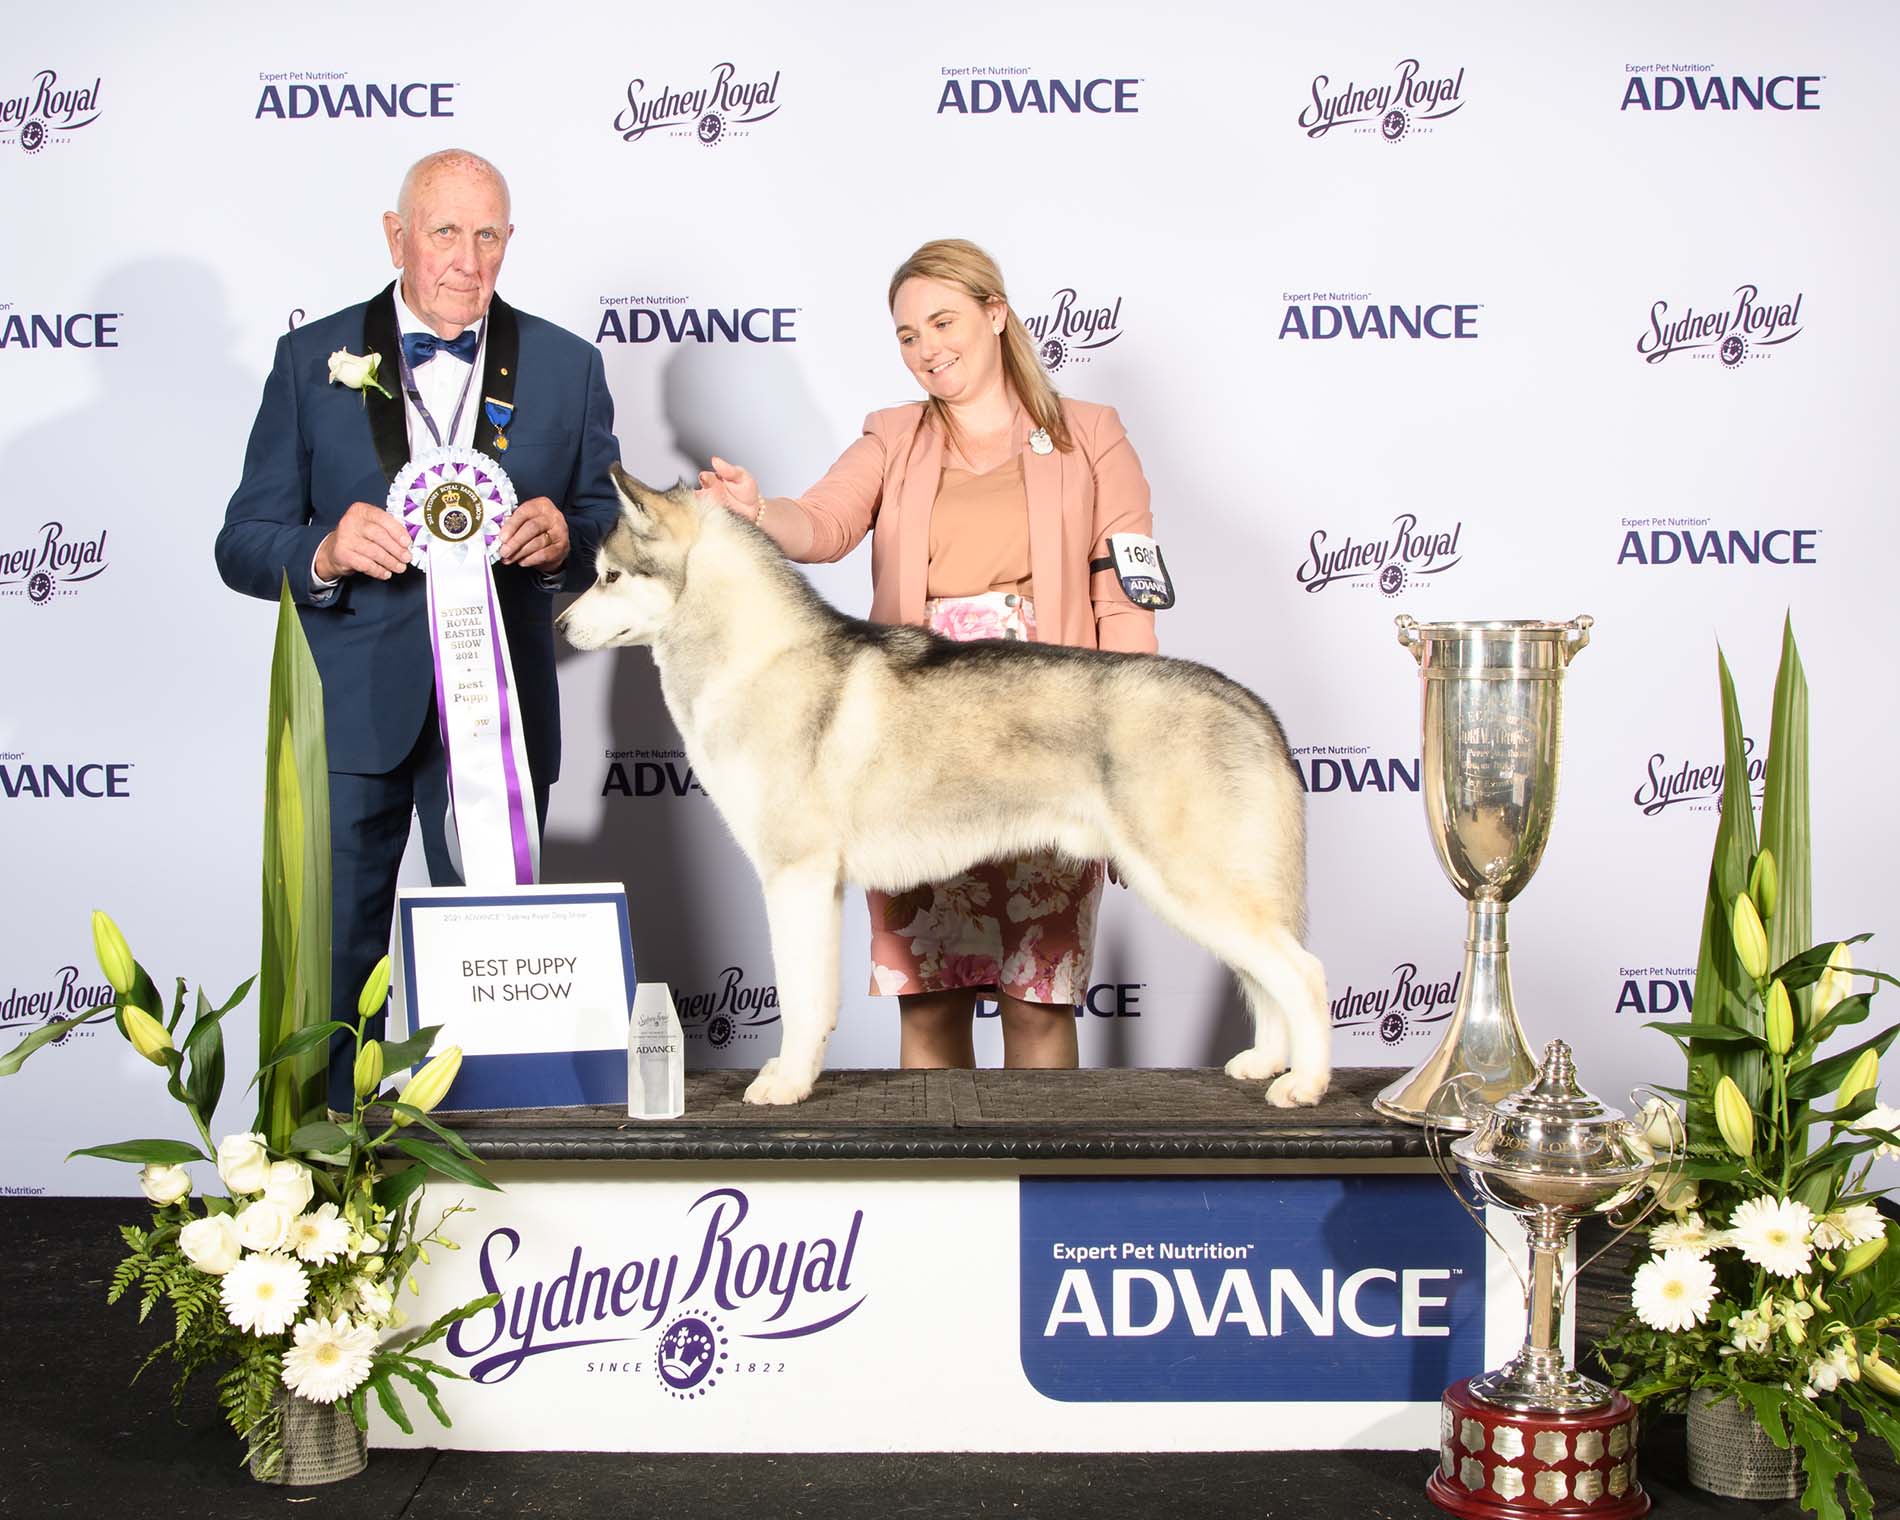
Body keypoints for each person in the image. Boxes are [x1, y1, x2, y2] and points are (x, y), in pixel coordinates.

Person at [215, 149, 622, 1108]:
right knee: (332, 970)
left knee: (498, 973)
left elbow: (613, 526)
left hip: (501, 726)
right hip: (348, 723)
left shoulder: (569, 364)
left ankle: (491, 1209)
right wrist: (321, 550)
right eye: (444, 232)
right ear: (395, 236)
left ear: (509, 242)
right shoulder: (310, 361)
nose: (466, 260)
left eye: (488, 235)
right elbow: (242, 542)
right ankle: (315, 1210)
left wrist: (571, 535)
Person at [698, 238, 1158, 1072]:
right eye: (907, 335)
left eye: (942, 321)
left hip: (1049, 730)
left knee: (1039, 993)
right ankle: (944, 1197)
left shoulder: (1092, 435)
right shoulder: (892, 435)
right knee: (930, 997)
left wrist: (1128, 765)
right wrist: (759, 510)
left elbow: (1123, 598)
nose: (926, 349)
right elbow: (824, 524)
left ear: (995, 313)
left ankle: (1044, 1188)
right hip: (913, 743)